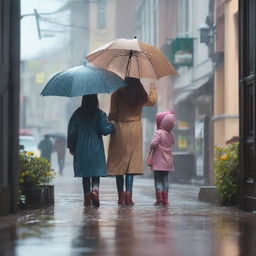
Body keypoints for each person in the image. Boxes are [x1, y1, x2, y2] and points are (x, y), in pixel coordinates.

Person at [107, 78, 157, 206]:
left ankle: (120, 197)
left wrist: (111, 119)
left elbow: (112, 114)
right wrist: (153, 90)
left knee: (119, 164)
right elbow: (151, 102)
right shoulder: (140, 92)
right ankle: (129, 197)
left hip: (120, 128)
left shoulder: (117, 91)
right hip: (135, 128)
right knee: (131, 164)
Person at [67, 94, 114, 208]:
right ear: (95, 100)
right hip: (96, 150)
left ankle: (87, 199)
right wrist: (111, 126)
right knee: (95, 174)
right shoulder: (100, 114)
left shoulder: (77, 114)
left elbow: (72, 132)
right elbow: (105, 130)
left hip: (81, 149)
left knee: (85, 175)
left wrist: (71, 147)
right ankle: (95, 190)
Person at [148, 111, 176, 206]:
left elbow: (153, 144)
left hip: (158, 162)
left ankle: (159, 199)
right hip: (167, 162)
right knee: (165, 179)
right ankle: (165, 199)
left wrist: (151, 145)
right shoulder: (171, 135)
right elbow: (172, 143)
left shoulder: (159, 133)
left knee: (158, 180)